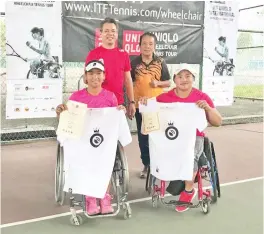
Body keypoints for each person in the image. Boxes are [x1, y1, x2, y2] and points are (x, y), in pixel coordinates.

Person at [140, 63, 222, 212]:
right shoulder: (165, 98)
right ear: (174, 79)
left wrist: (208, 108)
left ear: (193, 79)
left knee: (190, 156)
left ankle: (189, 190)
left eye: (188, 76)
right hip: (171, 137)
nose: (184, 79)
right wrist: (146, 102)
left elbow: (218, 122)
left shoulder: (201, 98)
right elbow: (151, 111)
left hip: (194, 136)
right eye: (180, 76)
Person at [56, 59, 126, 215]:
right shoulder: (76, 97)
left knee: (106, 162)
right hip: (82, 142)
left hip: (103, 143)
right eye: (91, 74)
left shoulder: (110, 97)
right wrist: (60, 112)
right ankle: (90, 198)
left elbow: (114, 121)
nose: (95, 77)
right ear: (85, 77)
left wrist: (119, 111)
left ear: (104, 76)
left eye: (98, 73)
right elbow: (69, 120)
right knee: (85, 161)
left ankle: (105, 196)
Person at [131, 32, 171, 178]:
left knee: (158, 136)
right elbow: (129, 84)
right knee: (143, 137)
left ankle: (159, 164)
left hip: (157, 106)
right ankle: (147, 165)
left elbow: (168, 82)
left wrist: (157, 83)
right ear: (139, 46)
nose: (147, 46)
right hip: (140, 106)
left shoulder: (160, 62)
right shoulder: (134, 63)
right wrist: (130, 103)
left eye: (150, 44)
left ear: (154, 46)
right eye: (144, 44)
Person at [85, 17, 136, 119]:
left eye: (113, 31)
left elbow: (128, 80)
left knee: (117, 134)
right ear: (101, 33)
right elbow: (86, 79)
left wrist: (132, 102)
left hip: (119, 105)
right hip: (97, 105)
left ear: (116, 34)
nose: (110, 34)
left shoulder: (123, 54)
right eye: (106, 31)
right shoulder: (93, 54)